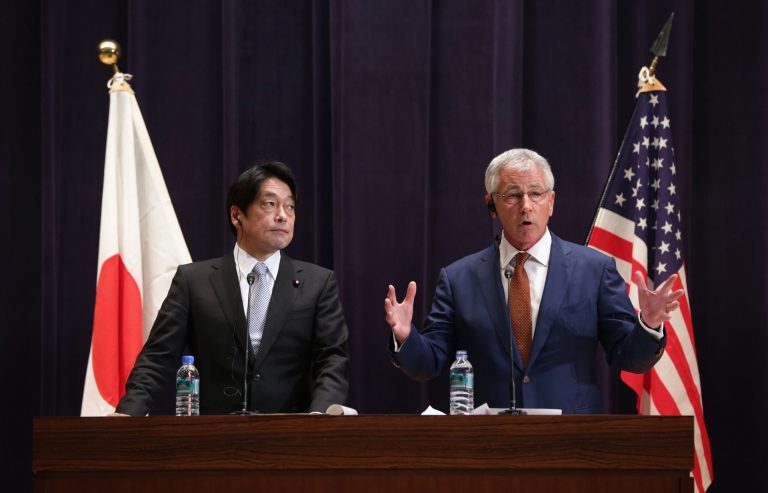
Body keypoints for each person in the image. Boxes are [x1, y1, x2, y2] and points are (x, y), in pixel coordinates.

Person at [384, 148, 683, 413]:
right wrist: (406, 337)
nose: (526, 205)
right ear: (491, 205)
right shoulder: (459, 279)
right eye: (513, 195)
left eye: (536, 194)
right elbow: (430, 361)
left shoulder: (594, 270)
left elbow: (627, 357)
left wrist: (648, 325)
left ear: (551, 202)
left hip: (572, 440)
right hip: (489, 441)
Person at [114, 161, 349, 415]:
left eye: (290, 206)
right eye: (270, 204)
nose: (283, 215)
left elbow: (331, 359)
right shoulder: (194, 281)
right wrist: (128, 413)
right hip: (216, 432)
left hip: (292, 431)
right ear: (237, 215)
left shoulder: (318, 283)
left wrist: (321, 417)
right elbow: (158, 357)